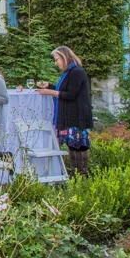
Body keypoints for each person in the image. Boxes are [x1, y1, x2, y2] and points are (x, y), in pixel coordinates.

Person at [37, 46, 93, 176]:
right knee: (72, 146)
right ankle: (75, 176)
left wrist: (50, 92)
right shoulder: (69, 72)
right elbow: (64, 90)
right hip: (71, 116)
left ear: (64, 58)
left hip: (77, 117)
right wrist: (49, 86)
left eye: (57, 59)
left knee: (79, 146)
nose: (56, 63)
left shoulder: (77, 71)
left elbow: (71, 94)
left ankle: (81, 177)